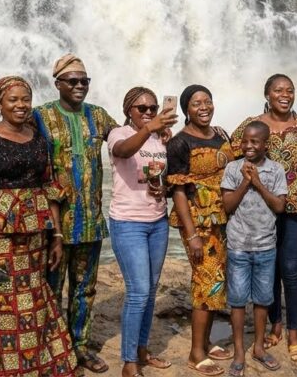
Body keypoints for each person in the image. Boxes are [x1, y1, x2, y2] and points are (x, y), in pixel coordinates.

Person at [0, 54, 119, 373]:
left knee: (84, 290)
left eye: (84, 81)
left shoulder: (99, 116)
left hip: (85, 222)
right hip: (46, 225)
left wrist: (153, 131)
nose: (79, 85)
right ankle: (45, 352)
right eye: (72, 80)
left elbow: (123, 142)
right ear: (57, 84)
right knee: (46, 292)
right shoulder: (40, 117)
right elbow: (4, 131)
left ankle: (77, 347)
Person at [0, 76, 76, 376]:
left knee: (36, 298)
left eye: (25, 99)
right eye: (13, 100)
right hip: (1, 239)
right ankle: (6, 368)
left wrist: (57, 236)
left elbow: (49, 188)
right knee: (4, 303)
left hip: (37, 236)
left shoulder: (38, 138)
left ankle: (37, 365)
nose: (21, 105)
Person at [231, 74, 297, 363]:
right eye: (278, 90)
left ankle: (294, 331)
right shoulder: (253, 126)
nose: (285, 95)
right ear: (267, 94)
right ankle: (275, 323)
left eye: (290, 90)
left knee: (290, 269)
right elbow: (227, 153)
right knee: (268, 268)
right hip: (261, 208)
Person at [107, 87, 179, 377]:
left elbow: (162, 174)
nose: (148, 112)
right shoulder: (119, 134)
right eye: (142, 108)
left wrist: (166, 187)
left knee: (149, 292)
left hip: (157, 221)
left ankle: (142, 350)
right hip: (128, 223)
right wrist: (150, 127)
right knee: (138, 292)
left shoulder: (159, 138)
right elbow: (122, 152)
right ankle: (129, 362)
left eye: (153, 107)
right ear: (129, 111)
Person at [168, 85, 235, 376]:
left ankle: (206, 343)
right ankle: (196, 353)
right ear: (186, 109)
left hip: (221, 217)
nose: (204, 107)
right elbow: (178, 192)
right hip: (198, 220)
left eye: (208, 101)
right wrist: (192, 233)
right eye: (197, 103)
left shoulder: (220, 135)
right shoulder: (180, 143)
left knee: (215, 279)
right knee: (206, 279)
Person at [221, 120, 288, 377]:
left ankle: (258, 348)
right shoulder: (232, 168)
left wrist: (257, 182)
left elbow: (279, 207)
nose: (248, 146)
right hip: (238, 244)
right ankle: (239, 353)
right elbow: (227, 206)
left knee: (262, 300)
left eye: (254, 141)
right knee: (237, 302)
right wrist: (245, 182)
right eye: (245, 141)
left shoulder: (276, 170)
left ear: (265, 144)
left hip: (265, 246)